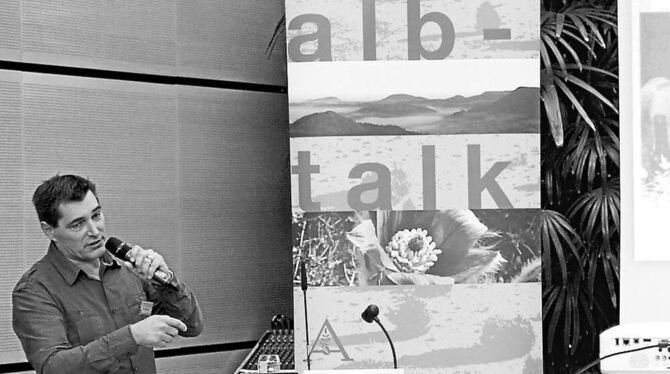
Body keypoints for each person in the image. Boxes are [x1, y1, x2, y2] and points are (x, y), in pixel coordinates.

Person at [12, 174, 203, 373]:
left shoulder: (129, 269)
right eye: (78, 224)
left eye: (96, 215)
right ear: (49, 230)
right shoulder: (34, 290)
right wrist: (131, 337)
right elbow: (53, 367)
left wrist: (166, 281)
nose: (95, 231)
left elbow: (191, 326)